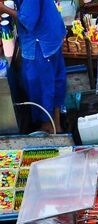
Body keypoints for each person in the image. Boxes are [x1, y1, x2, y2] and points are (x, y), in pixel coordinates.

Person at [13, 0, 66, 133]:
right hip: (51, 35)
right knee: (54, 81)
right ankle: (57, 124)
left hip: (41, 43)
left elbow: (28, 19)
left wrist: (3, 9)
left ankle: (48, 125)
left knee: (41, 88)